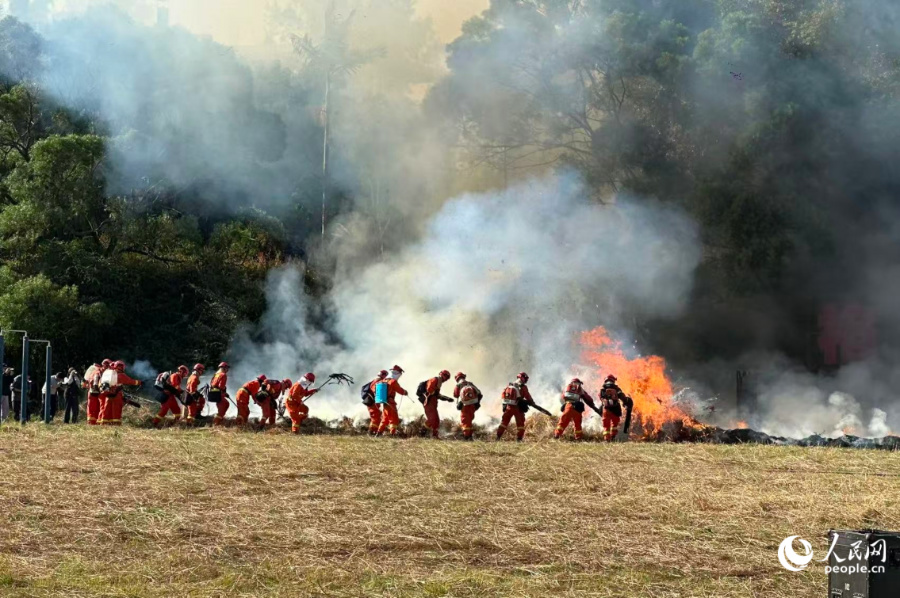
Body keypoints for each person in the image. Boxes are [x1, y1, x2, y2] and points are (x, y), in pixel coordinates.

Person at [496, 372, 536, 441]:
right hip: (518, 408)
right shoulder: (523, 387)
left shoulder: (509, 385)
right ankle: (519, 439)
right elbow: (527, 396)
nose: (526, 380)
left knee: (504, 422)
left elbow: (503, 394)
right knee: (520, 424)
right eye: (525, 378)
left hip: (509, 407)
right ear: (522, 378)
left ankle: (498, 437)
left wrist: (504, 404)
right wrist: (531, 402)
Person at [99, 361, 141, 426]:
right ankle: (116, 425)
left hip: (108, 395)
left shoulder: (109, 373)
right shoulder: (121, 375)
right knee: (116, 411)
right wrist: (140, 382)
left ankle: (104, 424)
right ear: (122, 367)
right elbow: (130, 381)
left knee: (107, 410)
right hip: (117, 396)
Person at [418, 370, 453, 439]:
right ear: (441, 374)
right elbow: (429, 389)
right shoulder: (435, 379)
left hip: (433, 403)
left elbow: (437, 395)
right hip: (429, 402)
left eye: (447, 378)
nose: (446, 379)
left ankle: (434, 435)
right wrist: (436, 394)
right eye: (445, 376)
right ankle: (422, 433)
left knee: (436, 420)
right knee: (432, 419)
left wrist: (447, 398)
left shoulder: (438, 382)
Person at [375, 365, 408, 437]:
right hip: (391, 403)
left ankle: (378, 433)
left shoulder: (384, 380)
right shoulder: (393, 381)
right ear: (397, 373)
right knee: (394, 419)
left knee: (385, 419)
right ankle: (392, 434)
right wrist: (405, 392)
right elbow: (400, 390)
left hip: (385, 402)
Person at [598, 375, 632, 441]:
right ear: (613, 380)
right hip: (615, 409)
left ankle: (607, 439)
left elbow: (601, 397)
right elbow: (621, 396)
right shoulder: (616, 388)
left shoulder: (603, 388)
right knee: (614, 424)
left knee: (606, 425)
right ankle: (613, 437)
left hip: (606, 409)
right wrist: (625, 401)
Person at [453, 372, 482, 441]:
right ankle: (470, 436)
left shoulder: (458, 385)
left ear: (457, 378)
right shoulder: (470, 383)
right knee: (470, 419)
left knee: (465, 420)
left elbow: (455, 395)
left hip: (464, 405)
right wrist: (477, 403)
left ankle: (466, 437)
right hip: (473, 404)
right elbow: (479, 393)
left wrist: (460, 403)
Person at [362, 370, 388, 435]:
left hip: (373, 403)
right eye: (386, 375)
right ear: (383, 375)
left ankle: (374, 431)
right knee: (375, 418)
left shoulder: (377, 380)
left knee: (377, 416)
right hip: (372, 403)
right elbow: (375, 391)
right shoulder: (378, 381)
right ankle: (371, 432)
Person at [85, 360, 109, 425]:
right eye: (107, 365)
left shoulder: (102, 372)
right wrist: (98, 388)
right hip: (93, 392)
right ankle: (91, 423)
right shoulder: (97, 372)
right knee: (92, 408)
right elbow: (96, 381)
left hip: (96, 392)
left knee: (96, 408)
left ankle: (95, 422)